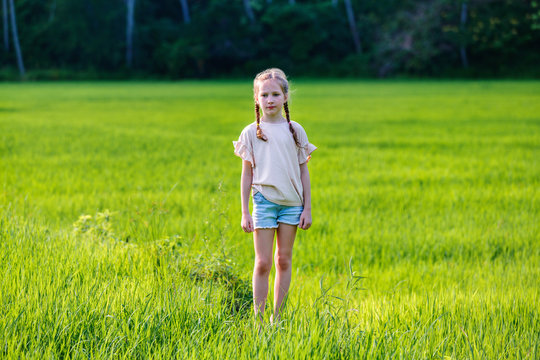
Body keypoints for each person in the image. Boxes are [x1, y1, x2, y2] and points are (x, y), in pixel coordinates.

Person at [233, 68, 317, 324]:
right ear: (257, 99)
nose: (270, 100)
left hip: (292, 204)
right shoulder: (251, 132)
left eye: (275, 94)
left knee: (283, 259)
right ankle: (258, 318)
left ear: (285, 97)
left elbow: (304, 173)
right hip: (264, 202)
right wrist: (245, 211)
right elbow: (246, 175)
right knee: (263, 262)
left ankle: (277, 317)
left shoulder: (295, 130)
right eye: (264, 95)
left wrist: (307, 208)